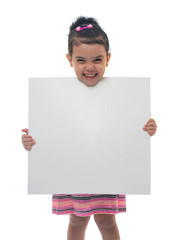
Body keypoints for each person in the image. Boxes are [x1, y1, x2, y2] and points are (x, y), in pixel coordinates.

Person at [21, 16, 157, 240]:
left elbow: (134, 129)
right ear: (69, 59)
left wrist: (147, 129)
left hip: (108, 169)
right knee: (76, 219)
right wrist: (32, 143)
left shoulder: (123, 96)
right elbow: (49, 135)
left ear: (108, 59)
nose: (90, 66)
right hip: (72, 171)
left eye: (98, 59)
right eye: (81, 60)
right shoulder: (56, 97)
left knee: (107, 221)